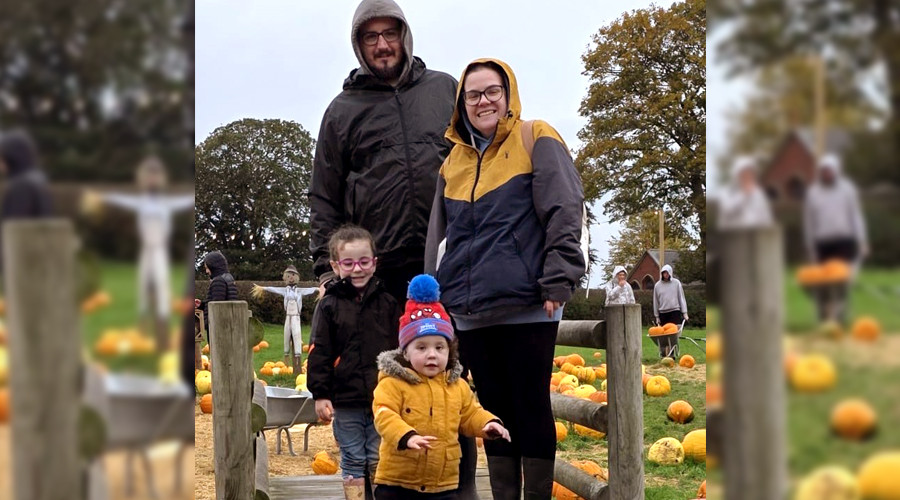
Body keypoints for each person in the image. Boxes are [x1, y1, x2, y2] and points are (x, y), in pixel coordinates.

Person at [424, 58, 585, 500]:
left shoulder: (536, 137)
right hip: (469, 311)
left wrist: (559, 278)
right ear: (462, 104)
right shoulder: (452, 163)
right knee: (492, 411)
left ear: (508, 93)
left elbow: (564, 209)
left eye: (492, 91)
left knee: (530, 406)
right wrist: (431, 298)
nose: (483, 101)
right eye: (473, 94)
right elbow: (440, 237)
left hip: (528, 303)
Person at [308, 0, 458, 304]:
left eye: (389, 33)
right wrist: (326, 270)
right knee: (382, 352)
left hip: (448, 254)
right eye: (370, 37)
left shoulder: (445, 90)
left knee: (447, 351)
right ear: (358, 44)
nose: (382, 45)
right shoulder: (341, 111)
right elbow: (324, 196)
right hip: (376, 266)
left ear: (404, 35)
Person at [372, 274, 510, 499]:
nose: (432, 355)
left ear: (450, 351)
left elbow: (469, 413)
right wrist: (406, 436)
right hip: (398, 482)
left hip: (443, 483)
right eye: (422, 348)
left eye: (439, 347)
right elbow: (384, 414)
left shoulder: (457, 386)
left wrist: (487, 423)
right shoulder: (393, 383)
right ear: (405, 352)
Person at [308, 225, 401, 500]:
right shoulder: (329, 306)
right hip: (345, 397)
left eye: (364, 261)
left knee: (378, 455)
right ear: (336, 266)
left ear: (375, 263)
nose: (357, 268)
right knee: (351, 457)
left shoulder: (387, 302)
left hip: (382, 396)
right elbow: (319, 351)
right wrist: (321, 393)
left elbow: (399, 347)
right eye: (348, 263)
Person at [85, 156, 194, 347]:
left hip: (159, 251)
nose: (152, 180)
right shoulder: (142, 201)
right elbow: (122, 200)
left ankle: (162, 337)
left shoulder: (165, 201)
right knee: (143, 290)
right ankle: (142, 333)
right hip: (146, 251)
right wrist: (101, 196)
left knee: (161, 290)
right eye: (148, 175)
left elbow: (185, 201)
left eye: (155, 175)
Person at [803, 153, 868, 323]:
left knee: (842, 284)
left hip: (843, 242)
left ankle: (840, 318)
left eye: (830, 170)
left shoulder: (848, 189)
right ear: (820, 172)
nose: (827, 174)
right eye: (824, 171)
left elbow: (856, 216)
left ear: (836, 171)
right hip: (822, 244)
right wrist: (810, 247)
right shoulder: (812, 193)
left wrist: (862, 241)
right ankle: (823, 318)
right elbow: (809, 223)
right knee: (822, 286)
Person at [0, 129, 53, 272]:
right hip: (40, 259)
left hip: (24, 265)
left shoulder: (21, 187)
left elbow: (15, 228)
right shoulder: (39, 180)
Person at [252, 265, 319, 374]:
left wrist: (319, 289)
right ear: (285, 277)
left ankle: (297, 360)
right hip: (288, 315)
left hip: (296, 316)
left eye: (293, 275)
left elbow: (311, 290)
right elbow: (273, 289)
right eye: (288, 276)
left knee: (297, 335)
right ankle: (287, 359)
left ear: (296, 277)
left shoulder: (299, 291)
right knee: (286, 334)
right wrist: (262, 288)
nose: (291, 278)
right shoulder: (285, 290)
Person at [717, 155, 773, 230]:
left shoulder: (757, 192)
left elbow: (766, 216)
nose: (748, 177)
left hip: (756, 233)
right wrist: (744, 195)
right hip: (734, 232)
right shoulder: (728, 191)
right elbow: (727, 211)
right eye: (744, 174)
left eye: (750, 174)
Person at [197, 250, 239, 346]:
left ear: (213, 266)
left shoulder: (218, 281)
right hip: (229, 325)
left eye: (207, 268)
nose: (207, 271)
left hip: (218, 329)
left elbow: (216, 307)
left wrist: (206, 324)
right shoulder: (229, 278)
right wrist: (202, 304)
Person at [652, 264, 688, 358]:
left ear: (670, 273)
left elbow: (681, 298)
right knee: (663, 335)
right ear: (661, 274)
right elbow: (655, 301)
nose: (665, 275)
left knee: (673, 335)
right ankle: (664, 353)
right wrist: (657, 316)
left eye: (667, 273)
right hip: (663, 313)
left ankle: (672, 353)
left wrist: (685, 313)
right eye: (664, 273)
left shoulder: (676, 283)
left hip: (674, 312)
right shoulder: (657, 286)